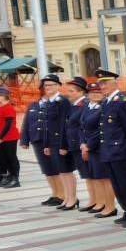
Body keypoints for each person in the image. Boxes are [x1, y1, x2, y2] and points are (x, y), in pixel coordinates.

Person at [94, 68, 126, 227]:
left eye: (105, 83)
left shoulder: (122, 102)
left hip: (120, 150)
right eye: (100, 84)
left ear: (115, 83)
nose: (102, 87)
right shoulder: (106, 102)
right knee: (117, 184)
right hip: (109, 151)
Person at [38, 74, 77, 210]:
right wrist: (47, 144)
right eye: (46, 85)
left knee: (67, 171)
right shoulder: (50, 102)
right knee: (61, 172)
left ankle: (72, 198)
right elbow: (48, 126)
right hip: (53, 143)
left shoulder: (62, 101)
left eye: (51, 85)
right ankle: (67, 197)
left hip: (61, 143)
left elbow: (64, 125)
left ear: (58, 86)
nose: (47, 88)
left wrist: (64, 145)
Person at [79, 82, 117, 217]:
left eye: (98, 92)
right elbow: (82, 127)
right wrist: (82, 143)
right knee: (96, 177)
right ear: (88, 94)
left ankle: (109, 206)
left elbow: (100, 130)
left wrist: (89, 145)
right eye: (92, 93)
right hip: (89, 147)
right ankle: (100, 202)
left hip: (99, 147)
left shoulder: (103, 108)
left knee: (104, 178)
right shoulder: (87, 107)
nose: (95, 95)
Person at [61, 76, 90, 210]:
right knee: (86, 175)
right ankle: (93, 200)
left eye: (72, 91)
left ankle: (95, 201)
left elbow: (82, 126)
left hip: (81, 145)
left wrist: (83, 144)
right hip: (74, 144)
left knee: (90, 175)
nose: (69, 93)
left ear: (81, 92)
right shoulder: (74, 106)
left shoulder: (84, 105)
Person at [0, 86, 21, 187]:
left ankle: (15, 178)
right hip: (1, 137)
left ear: (3, 96)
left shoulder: (8, 108)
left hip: (10, 137)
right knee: (5, 157)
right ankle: (10, 176)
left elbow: (8, 124)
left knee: (11, 157)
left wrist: (1, 136)